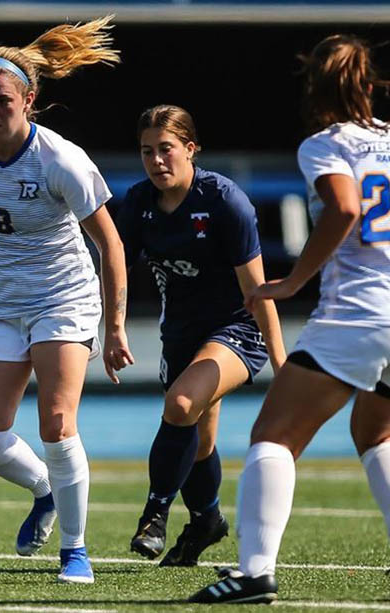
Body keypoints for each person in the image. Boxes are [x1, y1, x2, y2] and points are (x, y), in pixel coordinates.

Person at [189, 34, 390, 604]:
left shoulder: (324, 144)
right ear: (367, 86)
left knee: (273, 436)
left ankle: (253, 573)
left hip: (360, 313)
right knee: (378, 432)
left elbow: (345, 207)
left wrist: (293, 282)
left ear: (315, 88)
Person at [0, 16, 133, 584]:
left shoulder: (61, 159)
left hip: (62, 296)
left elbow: (109, 242)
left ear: (29, 99)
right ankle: (45, 490)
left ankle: (76, 552)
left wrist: (114, 328)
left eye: (2, 101)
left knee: (57, 423)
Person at [116, 105, 285, 567]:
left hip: (237, 328)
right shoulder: (136, 204)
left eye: (167, 149)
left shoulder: (224, 202)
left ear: (191, 149)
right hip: (181, 335)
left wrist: (284, 367)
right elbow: (115, 270)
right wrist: (111, 328)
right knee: (198, 442)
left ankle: (154, 514)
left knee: (181, 404)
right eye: (147, 151)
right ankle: (207, 520)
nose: (157, 161)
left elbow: (259, 292)